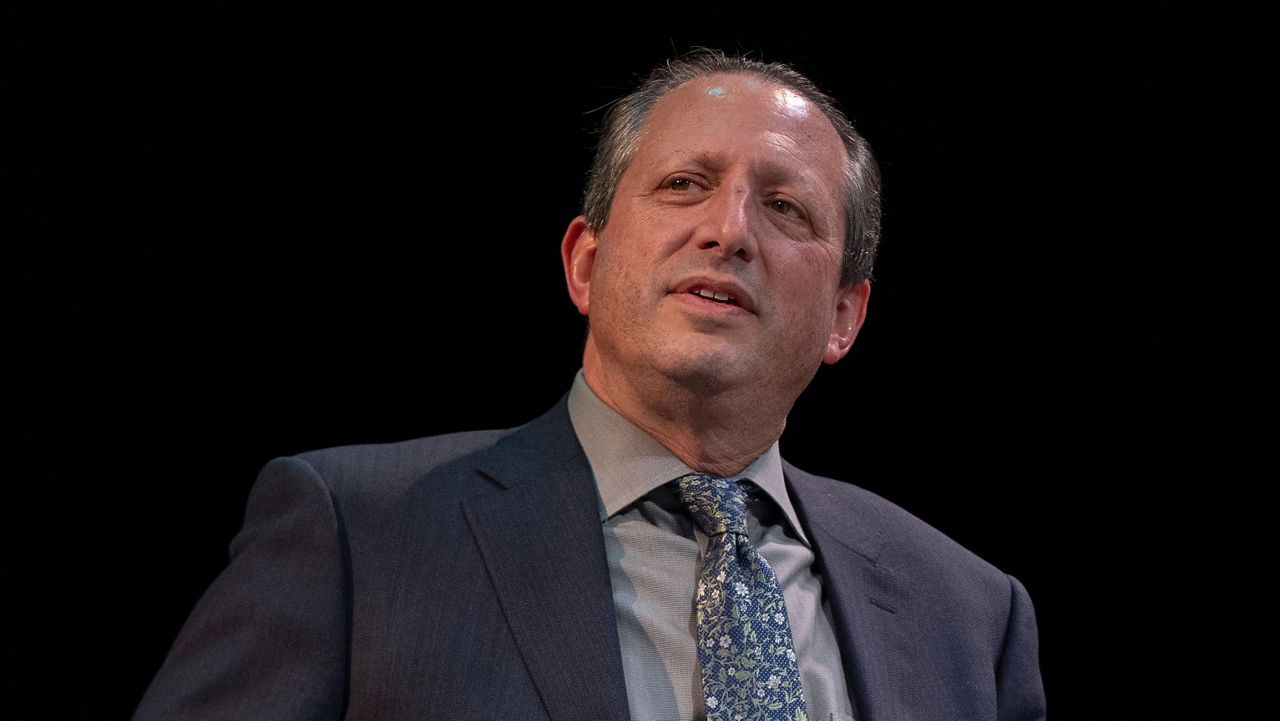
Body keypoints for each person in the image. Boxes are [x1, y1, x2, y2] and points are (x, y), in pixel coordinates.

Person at [134, 50, 1045, 721]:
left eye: (785, 207)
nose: (729, 231)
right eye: (685, 184)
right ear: (585, 262)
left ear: (845, 315)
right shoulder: (358, 534)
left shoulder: (969, 614)